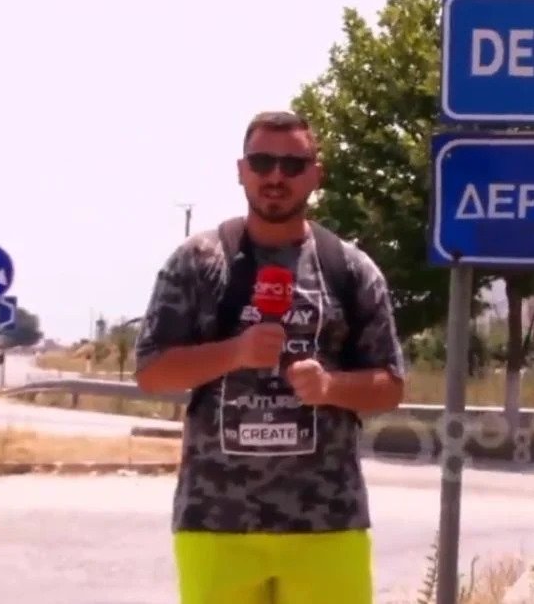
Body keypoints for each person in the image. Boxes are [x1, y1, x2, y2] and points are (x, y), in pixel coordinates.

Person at [133, 111, 406, 604]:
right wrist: (235, 352)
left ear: (316, 174)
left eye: (292, 164)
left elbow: (390, 384)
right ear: (242, 171)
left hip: (328, 524)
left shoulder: (348, 268)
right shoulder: (197, 262)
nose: (276, 176)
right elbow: (151, 371)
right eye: (262, 162)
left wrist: (330, 387)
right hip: (216, 525)